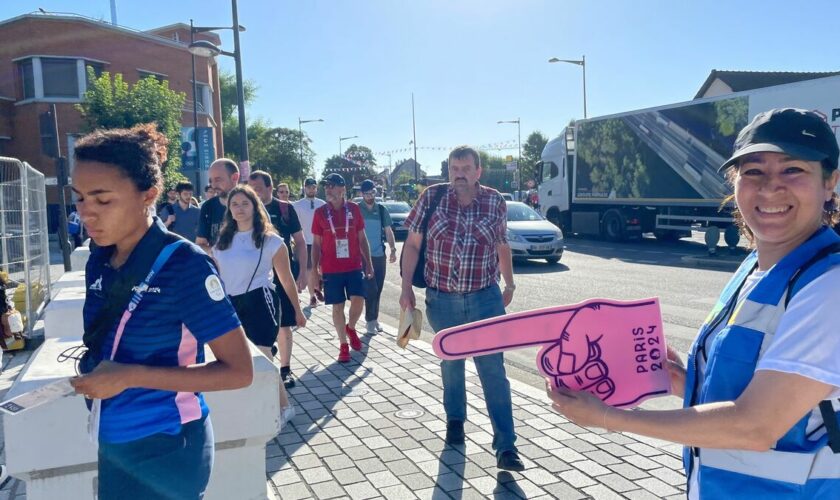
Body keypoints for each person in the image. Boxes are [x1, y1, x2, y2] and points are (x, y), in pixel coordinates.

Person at [547, 108, 840, 499]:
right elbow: (759, 389)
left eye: (793, 170)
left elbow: (755, 425)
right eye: (753, 172)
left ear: (830, 183)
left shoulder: (829, 285)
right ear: (735, 183)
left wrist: (607, 417)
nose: (770, 188)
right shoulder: (757, 267)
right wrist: (681, 379)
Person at [67, 124, 253, 499]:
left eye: (102, 200)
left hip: (169, 444)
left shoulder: (185, 265)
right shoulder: (99, 258)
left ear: (147, 195)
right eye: (79, 198)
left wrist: (130, 376)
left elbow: (239, 371)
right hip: (112, 437)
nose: (86, 213)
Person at [400, 145, 523, 471]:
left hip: (485, 298)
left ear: (478, 171)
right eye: (454, 168)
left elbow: (501, 244)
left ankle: (506, 447)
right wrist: (405, 289)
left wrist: (509, 283)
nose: (460, 174)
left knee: (493, 371)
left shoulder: (494, 201)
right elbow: (412, 246)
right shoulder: (432, 198)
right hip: (443, 300)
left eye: (466, 168)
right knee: (451, 364)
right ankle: (455, 419)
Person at [212, 184, 306, 423]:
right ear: (229, 209)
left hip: (260, 301)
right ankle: (250, 407)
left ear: (255, 207)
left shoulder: (271, 241)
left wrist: (297, 310)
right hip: (229, 303)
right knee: (235, 359)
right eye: (235, 204)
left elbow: (286, 280)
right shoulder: (223, 241)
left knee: (264, 358)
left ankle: (284, 407)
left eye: (245, 203)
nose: (240, 208)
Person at [247, 171, 308, 388]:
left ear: (270, 188)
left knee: (284, 324)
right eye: (251, 189)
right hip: (256, 279)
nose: (254, 194)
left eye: (258, 190)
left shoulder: (284, 209)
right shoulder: (247, 211)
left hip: (282, 275)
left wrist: (303, 271)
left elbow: (300, 241)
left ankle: (285, 369)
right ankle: (265, 359)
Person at [310, 173, 373, 363]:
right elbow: (316, 244)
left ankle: (351, 327)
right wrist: (314, 270)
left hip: (354, 265)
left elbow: (362, 238)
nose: (328, 189)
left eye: (332, 185)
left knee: (359, 299)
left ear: (342, 189)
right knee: (337, 307)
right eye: (326, 186)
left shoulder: (353, 209)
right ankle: (343, 344)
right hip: (331, 269)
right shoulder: (320, 213)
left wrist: (368, 263)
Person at [358, 179, 397, 334]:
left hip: (379, 255)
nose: (370, 196)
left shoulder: (381, 209)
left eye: (373, 193)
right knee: (370, 289)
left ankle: (374, 319)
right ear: (361, 194)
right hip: (362, 256)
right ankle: (370, 321)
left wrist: (393, 249)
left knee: (378, 288)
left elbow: (388, 231)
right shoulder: (356, 209)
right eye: (367, 193)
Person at [293, 178, 326, 307]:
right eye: (309, 187)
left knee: (319, 269)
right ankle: (312, 295)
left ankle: (318, 288)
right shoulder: (297, 205)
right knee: (310, 269)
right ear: (304, 188)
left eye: (313, 187)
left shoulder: (322, 204)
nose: (311, 190)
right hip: (305, 242)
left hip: (320, 241)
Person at [196, 159, 239, 254]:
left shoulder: (252, 203)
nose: (213, 185)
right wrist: (220, 254)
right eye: (211, 181)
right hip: (219, 266)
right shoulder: (207, 207)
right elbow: (200, 244)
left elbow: (266, 239)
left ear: (235, 177)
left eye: (218, 179)